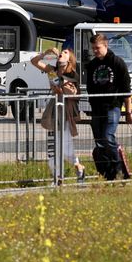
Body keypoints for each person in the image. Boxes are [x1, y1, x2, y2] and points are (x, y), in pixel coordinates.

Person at [31, 47, 87, 182]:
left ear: (70, 60)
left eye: (66, 53)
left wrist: (61, 90)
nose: (62, 53)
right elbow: (34, 62)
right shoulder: (52, 71)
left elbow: (73, 93)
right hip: (53, 112)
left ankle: (78, 167)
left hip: (65, 114)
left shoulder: (73, 75)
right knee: (52, 148)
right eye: (62, 52)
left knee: (66, 146)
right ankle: (57, 178)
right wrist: (46, 52)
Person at [83, 32, 130, 154]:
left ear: (106, 45)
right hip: (97, 108)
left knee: (107, 136)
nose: (95, 51)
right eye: (93, 48)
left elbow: (126, 88)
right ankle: (106, 168)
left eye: (97, 48)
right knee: (99, 141)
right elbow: (90, 86)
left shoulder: (117, 62)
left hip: (112, 106)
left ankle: (117, 164)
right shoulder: (92, 64)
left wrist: (129, 111)